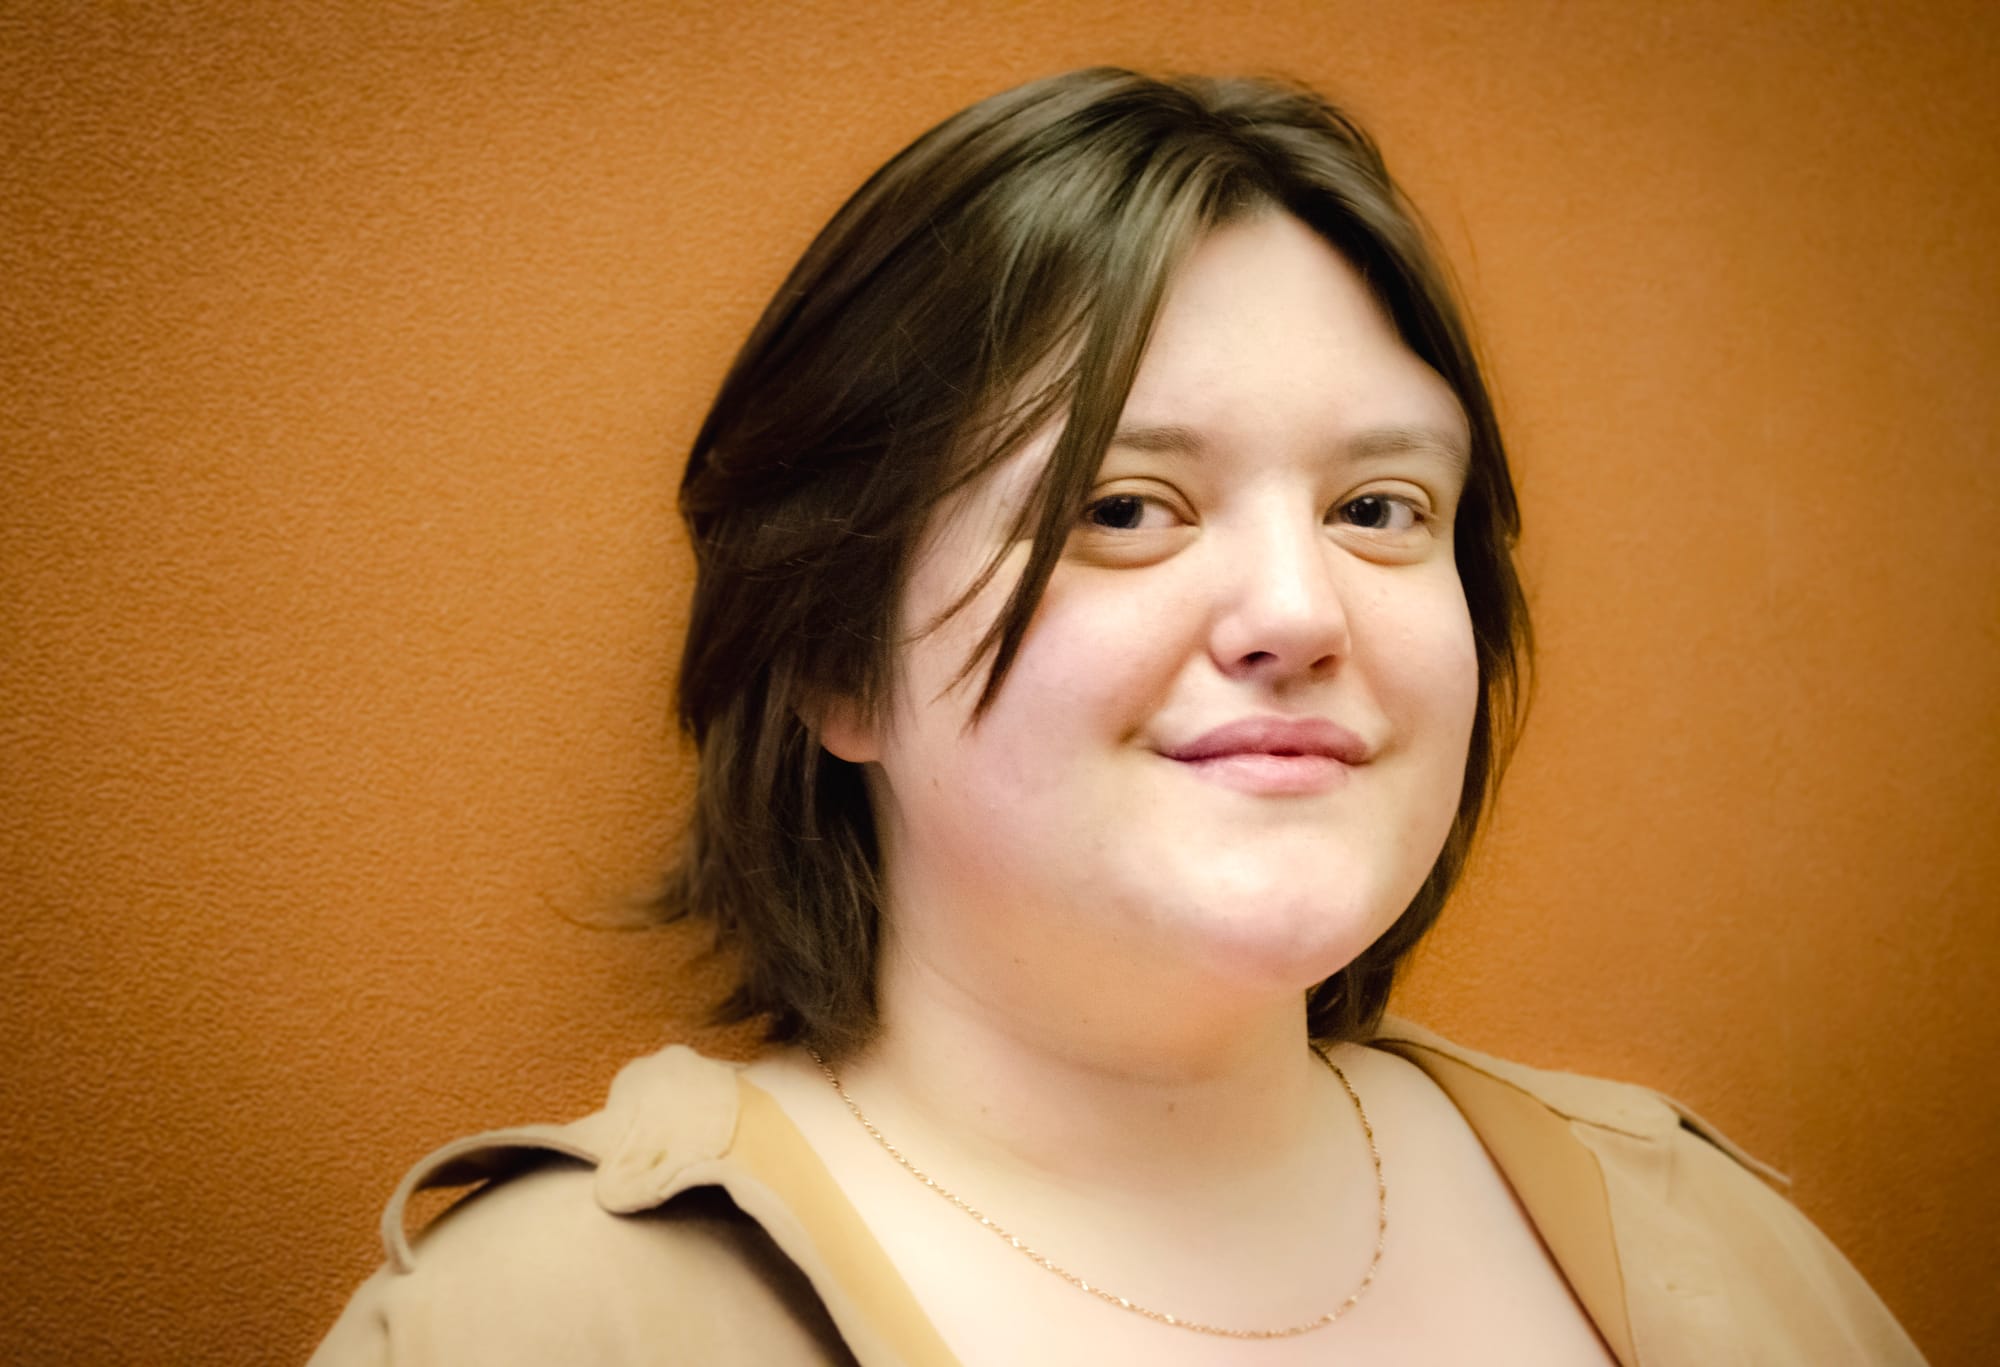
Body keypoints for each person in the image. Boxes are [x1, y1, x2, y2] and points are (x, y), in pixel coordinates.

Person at [311, 68, 1925, 1365]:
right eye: (1128, 509)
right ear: (834, 660)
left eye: (1379, 507)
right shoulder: (534, 1329)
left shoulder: (1711, 1251)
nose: (1301, 611)